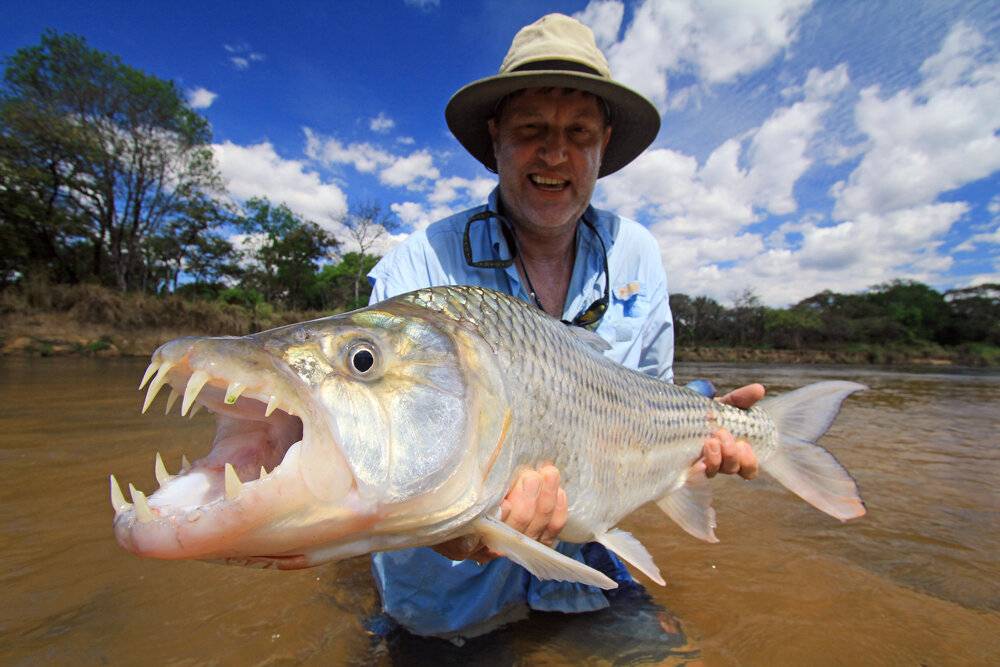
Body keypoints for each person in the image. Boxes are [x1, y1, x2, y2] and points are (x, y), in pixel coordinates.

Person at [366, 13, 763, 641]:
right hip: (451, 604)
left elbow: (646, 403)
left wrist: (694, 441)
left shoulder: (638, 254)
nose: (556, 154)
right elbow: (382, 450)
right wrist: (456, 534)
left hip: (589, 577)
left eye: (579, 132)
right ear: (495, 136)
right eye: (532, 129)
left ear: (604, 143)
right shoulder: (418, 266)